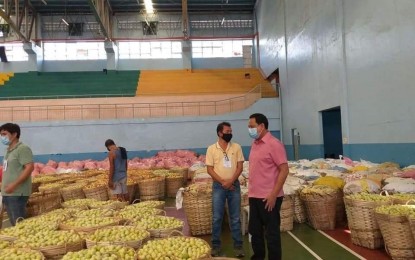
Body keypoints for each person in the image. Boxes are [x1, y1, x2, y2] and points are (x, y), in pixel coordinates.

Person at [247, 113, 289, 260]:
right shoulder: (255, 144)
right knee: (255, 231)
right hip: (254, 196)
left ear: (262, 126)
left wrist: (273, 194)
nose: (249, 129)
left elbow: (284, 170)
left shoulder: (274, 144)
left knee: (271, 234)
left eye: (251, 126)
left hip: (269, 198)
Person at [206, 122, 245, 258]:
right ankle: (215, 246)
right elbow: (209, 169)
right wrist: (223, 182)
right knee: (217, 217)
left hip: (234, 186)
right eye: (227, 131)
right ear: (220, 133)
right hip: (219, 187)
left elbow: (240, 167)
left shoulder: (237, 147)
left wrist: (231, 181)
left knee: (235, 218)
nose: (230, 133)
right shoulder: (211, 149)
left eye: (231, 131)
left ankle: (238, 246)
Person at [0, 123, 34, 226]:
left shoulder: (22, 149)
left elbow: (29, 168)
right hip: (8, 193)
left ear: (14, 134)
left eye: (4, 134)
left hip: (17, 193)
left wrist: (14, 185)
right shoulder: (9, 151)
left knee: (18, 224)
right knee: (14, 224)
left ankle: (25, 241)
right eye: (1, 135)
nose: (2, 137)